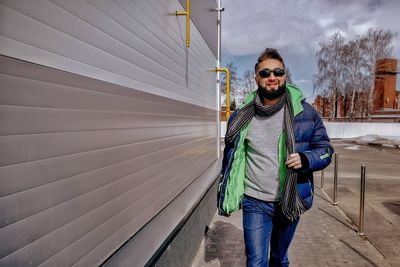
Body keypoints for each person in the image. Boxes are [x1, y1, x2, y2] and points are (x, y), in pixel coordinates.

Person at [217, 48, 333, 267]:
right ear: (256, 78)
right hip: (255, 201)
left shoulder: (305, 112)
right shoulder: (242, 115)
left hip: (290, 199)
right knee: (256, 262)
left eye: (277, 72)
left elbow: (326, 150)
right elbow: (232, 157)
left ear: (284, 76)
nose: (272, 77)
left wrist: (306, 159)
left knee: (279, 259)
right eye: (265, 73)